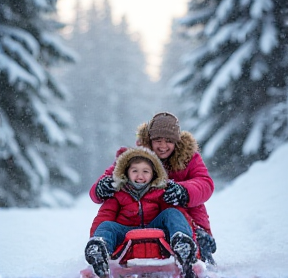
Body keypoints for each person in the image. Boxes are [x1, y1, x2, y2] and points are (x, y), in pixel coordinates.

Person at [89, 112, 217, 265]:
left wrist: (183, 192)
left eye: (169, 141)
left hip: (184, 219)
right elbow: (108, 184)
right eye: (158, 140)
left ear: (176, 141)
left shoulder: (189, 158)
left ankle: (186, 244)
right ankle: (100, 248)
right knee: (108, 226)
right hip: (132, 223)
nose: (163, 146)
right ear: (149, 140)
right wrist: (100, 189)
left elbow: (205, 183)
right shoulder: (136, 160)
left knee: (174, 216)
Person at [85, 147, 197, 278]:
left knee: (172, 212)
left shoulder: (162, 191)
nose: (140, 176)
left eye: (145, 171)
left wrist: (193, 238)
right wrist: (94, 237)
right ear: (126, 173)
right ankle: (99, 249)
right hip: (125, 230)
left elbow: (178, 216)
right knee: (107, 225)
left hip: (156, 227)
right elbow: (104, 216)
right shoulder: (117, 192)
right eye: (134, 171)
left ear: (154, 173)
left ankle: (182, 243)